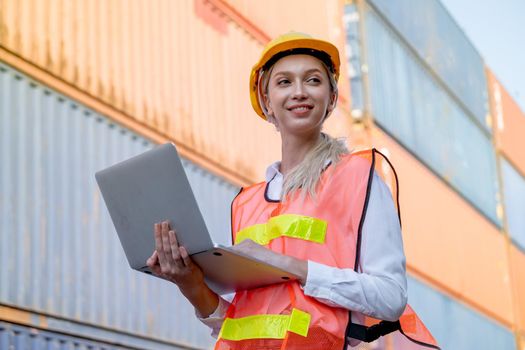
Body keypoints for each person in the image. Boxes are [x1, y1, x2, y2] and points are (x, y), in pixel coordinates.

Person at [146, 32, 439, 350]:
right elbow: (243, 324)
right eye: (284, 82)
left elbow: (391, 296)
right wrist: (190, 284)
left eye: (313, 80)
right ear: (266, 101)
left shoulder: (357, 178)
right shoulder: (247, 203)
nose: (299, 92)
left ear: (331, 97)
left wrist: (290, 266)